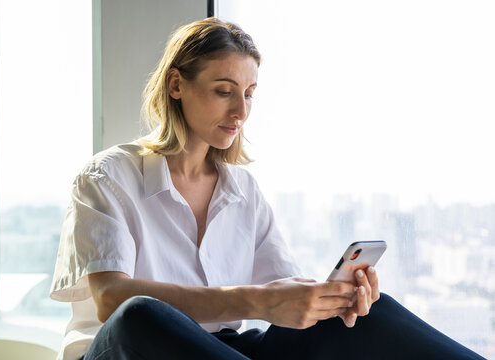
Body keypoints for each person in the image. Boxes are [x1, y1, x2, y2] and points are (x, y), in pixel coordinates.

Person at [50, 17, 485, 360]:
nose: (241, 110)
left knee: (367, 315)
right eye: (224, 91)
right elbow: (109, 300)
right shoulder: (107, 177)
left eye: (250, 93)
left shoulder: (242, 191)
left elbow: (281, 289)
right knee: (138, 313)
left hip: (218, 351)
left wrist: (332, 299)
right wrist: (257, 300)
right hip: (124, 352)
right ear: (177, 84)